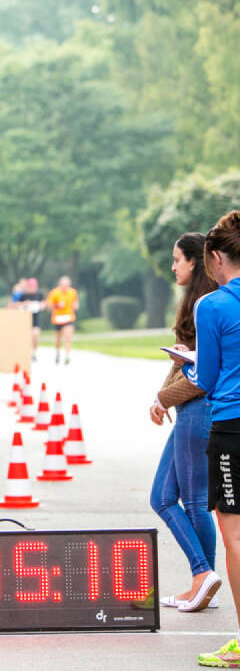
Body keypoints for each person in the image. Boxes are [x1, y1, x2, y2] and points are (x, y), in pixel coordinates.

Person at [146, 233, 219, 613]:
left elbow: (200, 373)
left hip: (199, 410)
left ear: (195, 261)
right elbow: (181, 361)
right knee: (163, 497)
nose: (173, 266)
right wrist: (159, 397)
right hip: (189, 412)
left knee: (191, 501)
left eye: (177, 259)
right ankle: (202, 582)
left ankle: (201, 575)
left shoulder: (207, 306)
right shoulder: (194, 303)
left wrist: (163, 399)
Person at [182, 212, 240, 667]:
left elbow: (209, 377)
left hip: (233, 425)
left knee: (235, 535)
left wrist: (188, 364)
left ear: (218, 257)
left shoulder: (212, 305)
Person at [46, 276, 78, 364]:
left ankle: (67, 355)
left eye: (67, 284)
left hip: (69, 317)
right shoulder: (54, 292)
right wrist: (57, 305)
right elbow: (48, 306)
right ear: (60, 284)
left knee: (68, 336)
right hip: (57, 319)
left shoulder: (73, 292)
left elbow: (75, 302)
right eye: (63, 284)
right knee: (58, 339)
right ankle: (57, 353)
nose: (65, 286)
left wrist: (75, 306)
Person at [18, 278, 45, 361]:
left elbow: (44, 304)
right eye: (31, 287)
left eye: (34, 287)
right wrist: (24, 304)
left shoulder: (39, 294)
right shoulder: (23, 295)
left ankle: (34, 353)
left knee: (35, 335)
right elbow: (16, 305)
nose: (32, 288)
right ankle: (27, 353)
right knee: (27, 337)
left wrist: (40, 305)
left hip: (35, 318)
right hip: (25, 319)